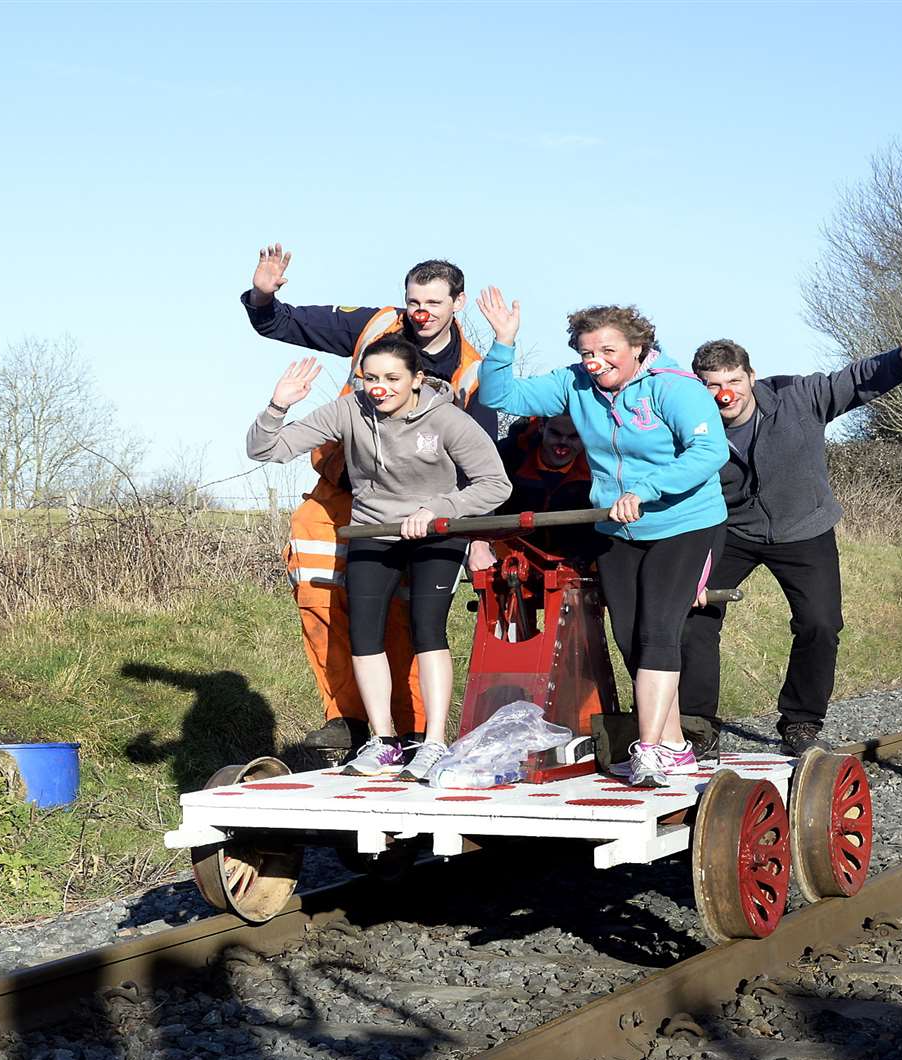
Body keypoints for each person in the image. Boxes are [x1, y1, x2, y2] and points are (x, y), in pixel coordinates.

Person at [242, 246, 499, 753]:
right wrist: (263, 296)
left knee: (418, 620)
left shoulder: (471, 374)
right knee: (328, 601)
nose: (420, 312)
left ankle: (422, 732)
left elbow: (486, 471)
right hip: (345, 492)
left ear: (458, 304)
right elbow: (283, 325)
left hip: (428, 508)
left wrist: (476, 536)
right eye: (412, 300)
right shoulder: (375, 327)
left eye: (433, 302)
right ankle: (351, 721)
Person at [476, 289, 728, 786]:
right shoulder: (574, 385)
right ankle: (676, 744)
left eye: (607, 351)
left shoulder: (674, 387)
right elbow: (499, 396)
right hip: (618, 526)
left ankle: (651, 749)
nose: (596, 362)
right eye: (587, 352)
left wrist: (648, 487)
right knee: (631, 638)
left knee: (659, 631)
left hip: (686, 523)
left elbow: (709, 451)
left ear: (637, 347)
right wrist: (503, 342)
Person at [678, 316, 902, 757]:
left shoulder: (798, 396)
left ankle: (801, 722)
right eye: (711, 384)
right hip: (731, 530)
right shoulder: (689, 424)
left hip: (804, 527)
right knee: (693, 614)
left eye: (733, 380)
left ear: (751, 378)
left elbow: (856, 380)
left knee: (820, 623)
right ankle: (696, 723)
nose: (725, 392)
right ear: (698, 386)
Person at [497, 414, 599, 560]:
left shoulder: (600, 467)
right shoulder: (509, 456)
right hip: (512, 552)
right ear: (541, 427)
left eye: (574, 436)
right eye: (555, 434)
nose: (563, 443)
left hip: (579, 558)